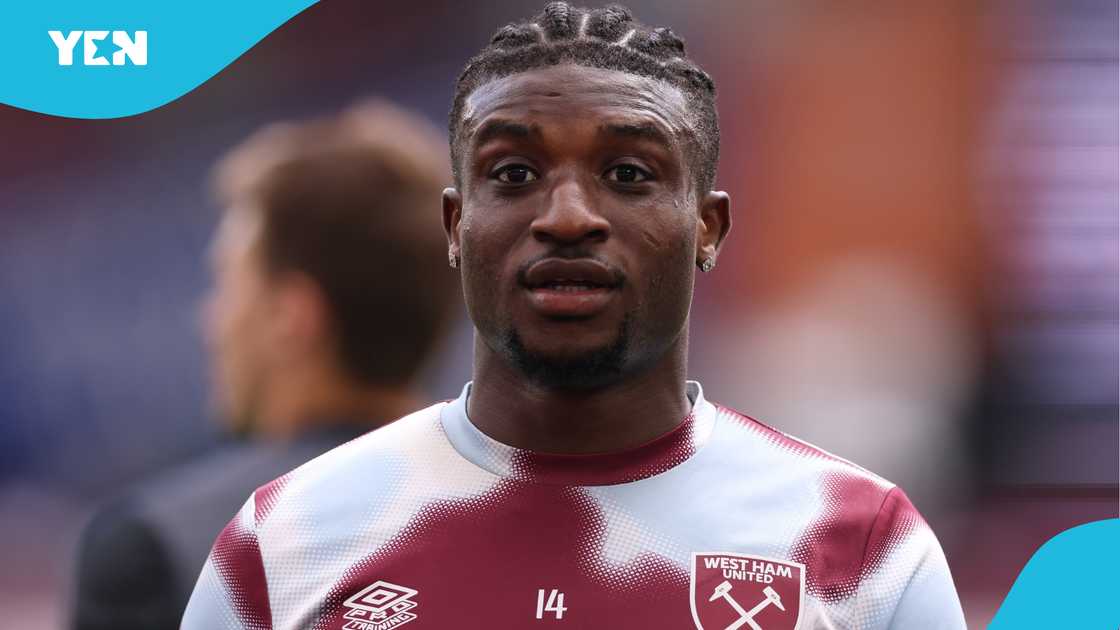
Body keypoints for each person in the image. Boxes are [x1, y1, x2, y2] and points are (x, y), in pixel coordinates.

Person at [182, 4, 966, 629]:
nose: (566, 216)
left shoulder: (861, 548)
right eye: (514, 172)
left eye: (628, 173)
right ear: (456, 227)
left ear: (707, 227)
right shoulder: (284, 546)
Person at [70, 100, 458, 630]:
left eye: (227, 284)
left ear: (289, 315)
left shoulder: (161, 550)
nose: (211, 321)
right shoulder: (535, 513)